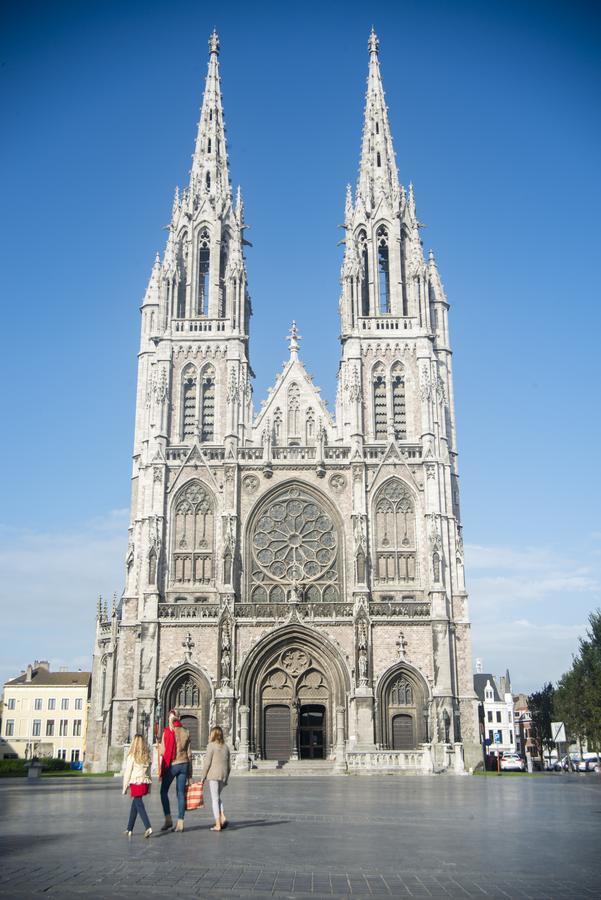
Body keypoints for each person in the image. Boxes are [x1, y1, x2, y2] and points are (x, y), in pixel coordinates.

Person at [159, 708, 192, 832]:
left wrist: (159, 747)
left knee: (163, 791)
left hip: (173, 764)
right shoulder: (186, 731)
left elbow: (163, 751)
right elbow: (189, 753)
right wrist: (190, 773)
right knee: (180, 793)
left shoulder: (168, 731)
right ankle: (180, 822)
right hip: (184, 764)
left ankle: (168, 819)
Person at [200, 725, 231, 832]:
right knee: (217, 797)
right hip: (223, 776)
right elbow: (229, 765)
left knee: (214, 799)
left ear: (213, 734)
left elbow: (207, 763)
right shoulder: (226, 747)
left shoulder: (211, 746)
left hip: (213, 775)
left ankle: (217, 824)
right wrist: (226, 778)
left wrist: (202, 777)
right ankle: (223, 816)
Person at [122, 733, 153, 838]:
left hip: (136, 782)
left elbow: (127, 772)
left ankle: (148, 827)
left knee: (139, 804)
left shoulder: (132, 756)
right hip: (144, 783)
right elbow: (149, 773)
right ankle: (129, 829)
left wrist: (125, 787)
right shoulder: (146, 756)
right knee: (135, 805)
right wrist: (149, 786)